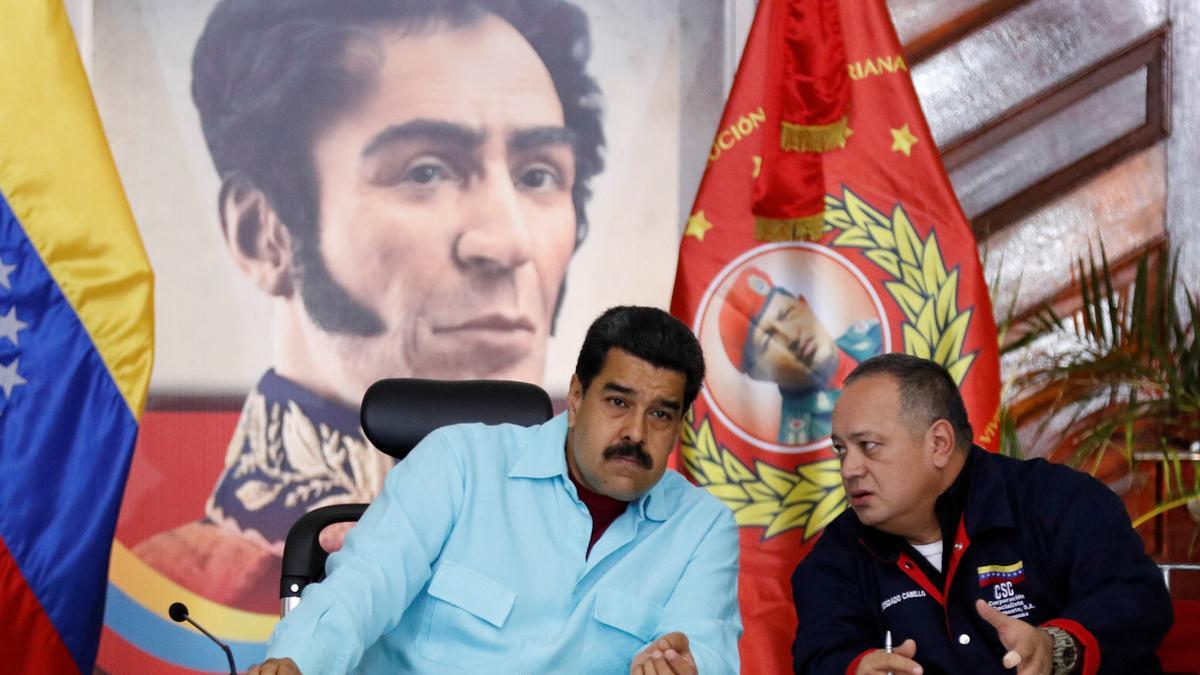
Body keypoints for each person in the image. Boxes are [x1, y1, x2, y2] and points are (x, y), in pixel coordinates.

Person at [132, 0, 606, 612]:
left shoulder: (622, 567)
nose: (510, 242)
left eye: (539, 175)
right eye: (427, 170)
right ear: (264, 233)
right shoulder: (168, 595)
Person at [244, 306, 740, 674]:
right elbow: (364, 586)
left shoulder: (702, 529)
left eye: (660, 413)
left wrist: (686, 670)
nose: (635, 432)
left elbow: (704, 648)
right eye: (617, 401)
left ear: (679, 427)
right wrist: (295, 663)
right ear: (576, 395)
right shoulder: (458, 463)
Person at [791, 353, 1173, 675]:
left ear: (939, 443)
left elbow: (1136, 599)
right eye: (841, 450)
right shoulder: (838, 553)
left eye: (868, 446)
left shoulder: (1056, 500)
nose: (848, 469)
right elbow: (821, 651)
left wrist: (1054, 647)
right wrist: (856, 668)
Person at [718, 265, 880, 444]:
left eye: (787, 314)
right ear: (759, 374)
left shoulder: (876, 333)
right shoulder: (800, 444)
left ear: (804, 303)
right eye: (769, 339)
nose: (791, 335)